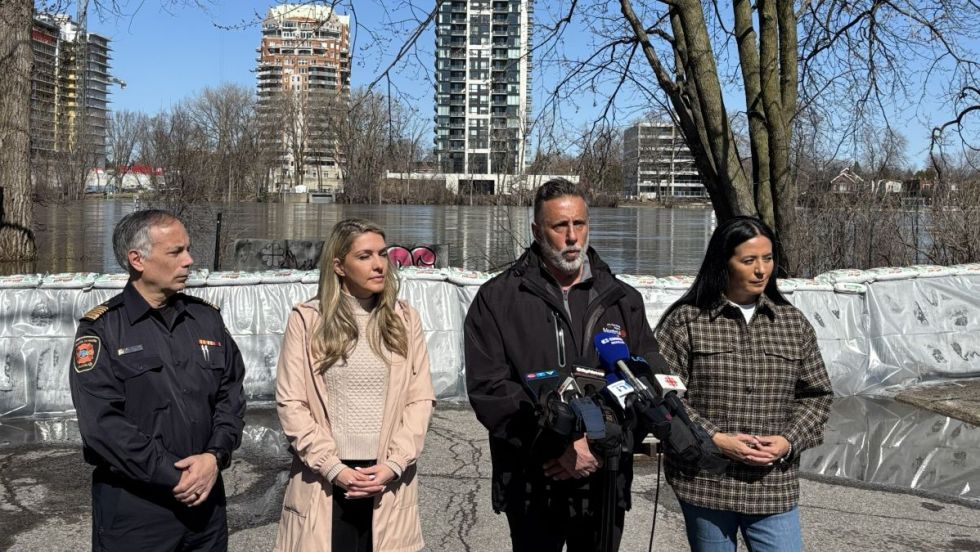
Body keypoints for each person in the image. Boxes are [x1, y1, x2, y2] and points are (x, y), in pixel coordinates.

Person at [464, 178, 661, 552]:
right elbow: (490, 390)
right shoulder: (498, 298)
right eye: (560, 226)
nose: (572, 237)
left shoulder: (623, 299)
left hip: (604, 480)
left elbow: (645, 382)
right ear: (538, 231)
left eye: (579, 224)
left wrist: (602, 449)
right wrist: (557, 448)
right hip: (532, 480)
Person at [69, 209, 246, 551]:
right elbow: (102, 425)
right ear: (137, 259)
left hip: (206, 506)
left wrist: (214, 456)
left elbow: (232, 395)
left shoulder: (205, 320)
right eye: (176, 252)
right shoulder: (103, 329)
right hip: (137, 510)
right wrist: (173, 474)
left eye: (188, 250)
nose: (190, 261)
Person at [655, 216, 833, 552]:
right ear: (724, 262)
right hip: (706, 482)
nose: (761, 270)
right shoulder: (686, 321)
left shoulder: (792, 324)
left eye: (767, 259)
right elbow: (666, 397)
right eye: (749, 260)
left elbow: (817, 396)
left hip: (773, 483)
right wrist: (715, 439)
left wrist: (787, 440)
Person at [274, 218, 435, 552]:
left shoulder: (404, 320)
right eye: (364, 256)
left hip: (388, 476)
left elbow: (420, 400)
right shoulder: (307, 320)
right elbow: (292, 403)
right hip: (324, 478)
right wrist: (334, 468)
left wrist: (394, 464)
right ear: (339, 265)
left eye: (382, 254)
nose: (379, 264)